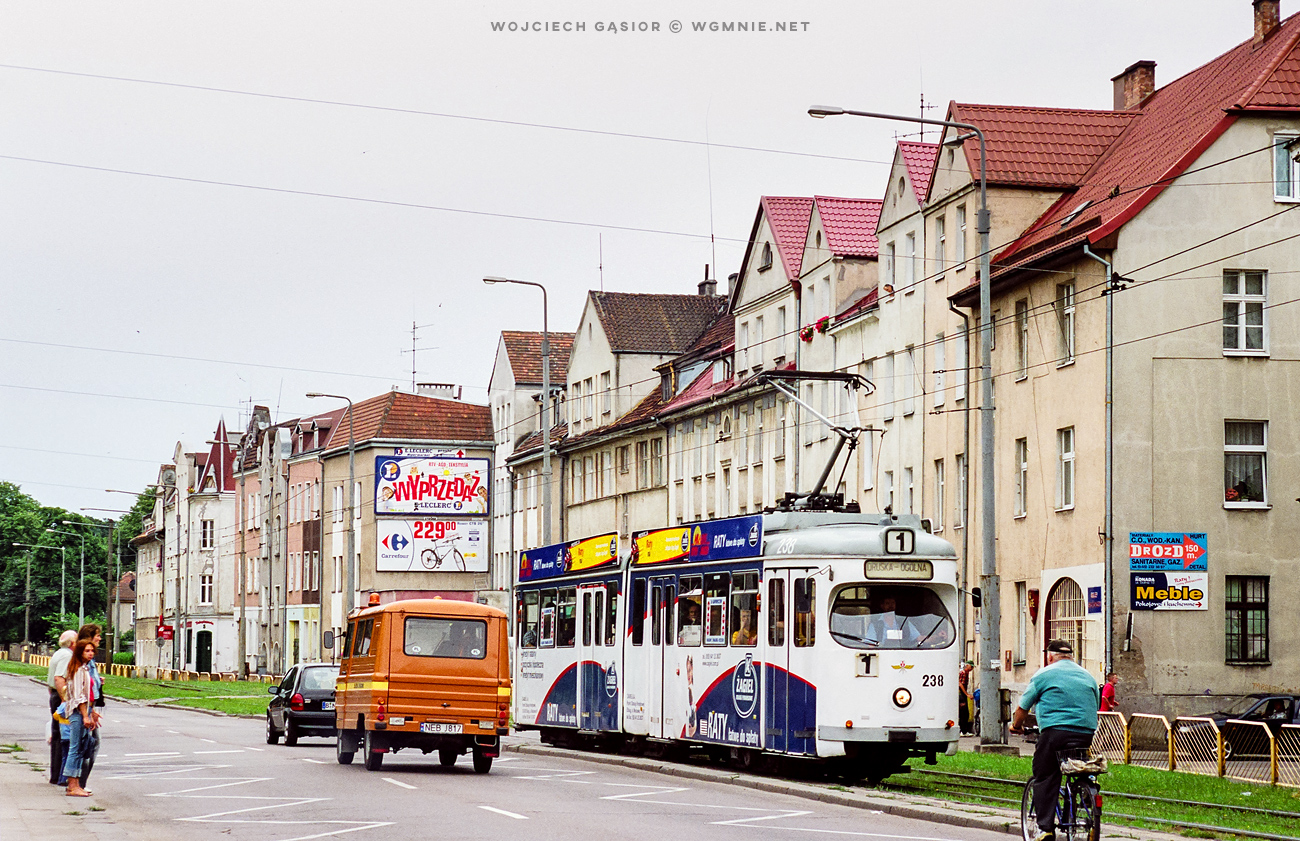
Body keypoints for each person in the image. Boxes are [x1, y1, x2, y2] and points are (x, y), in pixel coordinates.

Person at [1011, 640, 1100, 841]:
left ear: (1049, 657)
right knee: (1078, 767)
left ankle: (1045, 829)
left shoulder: (1044, 675)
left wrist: (1016, 726)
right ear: (1071, 656)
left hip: (1055, 733)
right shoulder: (1088, 676)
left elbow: (1022, 708)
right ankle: (1086, 797)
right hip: (1085, 733)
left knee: (1045, 775)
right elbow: (1094, 703)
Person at [61, 640, 98, 797]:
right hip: (78, 712)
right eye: (87, 651)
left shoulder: (84, 668)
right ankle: (72, 785)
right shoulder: (77, 670)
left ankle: (76, 784)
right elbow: (79, 697)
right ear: (80, 653)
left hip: (84, 711)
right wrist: (85, 715)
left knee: (81, 747)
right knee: (75, 748)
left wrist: (91, 712)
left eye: (92, 651)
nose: (90, 653)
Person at [46, 630, 76, 784]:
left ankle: (55, 774)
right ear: (72, 643)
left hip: (55, 695)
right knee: (63, 738)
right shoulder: (67, 655)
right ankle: (60, 775)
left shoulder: (58, 653)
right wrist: (65, 700)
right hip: (61, 697)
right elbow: (59, 678)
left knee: (57, 735)